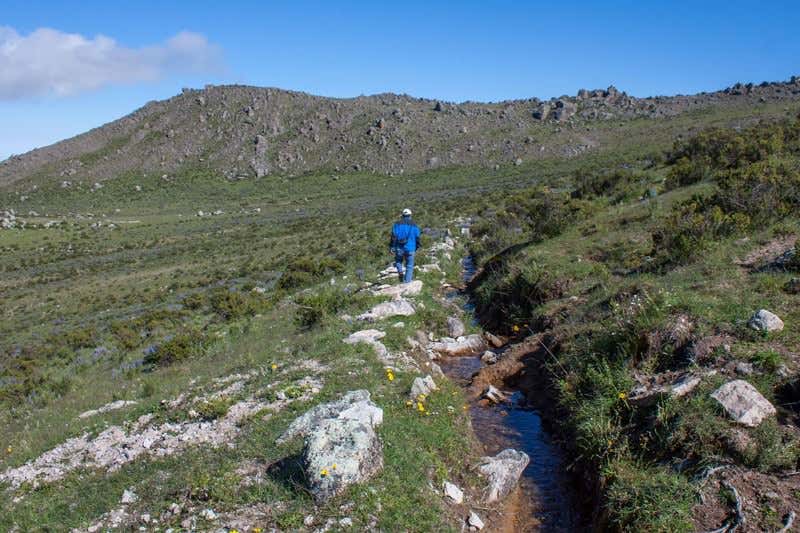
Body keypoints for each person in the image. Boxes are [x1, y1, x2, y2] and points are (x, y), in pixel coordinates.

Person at [390, 208, 421, 283]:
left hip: (399, 247)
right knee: (409, 266)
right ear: (410, 215)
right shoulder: (415, 225)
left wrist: (392, 247)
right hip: (411, 248)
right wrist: (417, 247)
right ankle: (407, 283)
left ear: (402, 215)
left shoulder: (397, 224)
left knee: (398, 261)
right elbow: (417, 237)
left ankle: (400, 272)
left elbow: (393, 236)